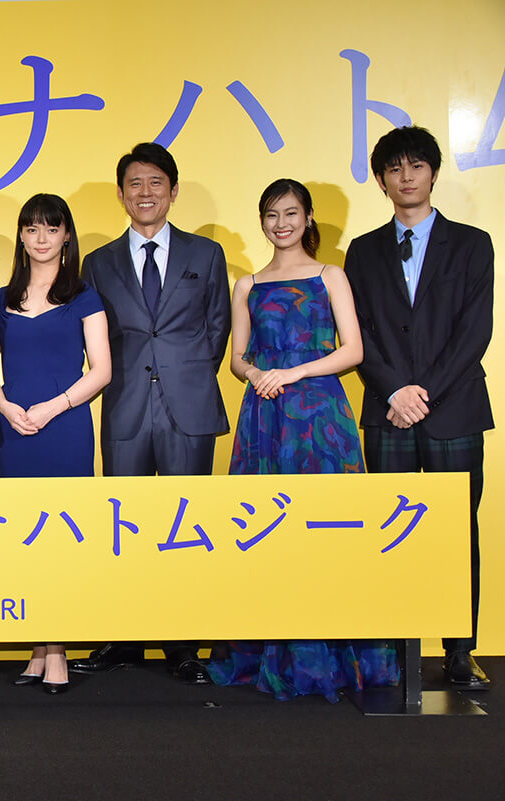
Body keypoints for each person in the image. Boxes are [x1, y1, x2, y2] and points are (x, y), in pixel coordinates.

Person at [207, 178, 397, 701]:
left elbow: (353, 350)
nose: (281, 223)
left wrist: (293, 372)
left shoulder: (330, 275)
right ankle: (270, 651)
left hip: (320, 418)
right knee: (265, 530)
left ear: (308, 217)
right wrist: (255, 374)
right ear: (262, 221)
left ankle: (334, 655)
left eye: (291, 213)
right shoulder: (247, 284)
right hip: (264, 416)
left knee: (328, 529)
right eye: (272, 214)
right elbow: (237, 357)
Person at [72, 142, 230, 685]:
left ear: (173, 191)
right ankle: (124, 637)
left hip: (189, 405)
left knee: (186, 527)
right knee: (125, 527)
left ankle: (183, 643)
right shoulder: (99, 263)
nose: (145, 193)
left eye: (155, 183)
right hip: (125, 405)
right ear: (121, 195)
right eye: (134, 184)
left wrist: (186, 373)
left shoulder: (206, 254)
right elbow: (94, 338)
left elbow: (217, 327)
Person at [345, 126, 494, 690]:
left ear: (433, 172)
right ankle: (391, 650)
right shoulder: (363, 251)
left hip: (453, 409)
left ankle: (459, 650)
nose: (406, 177)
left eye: (416, 166)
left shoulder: (473, 243)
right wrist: (393, 392)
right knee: (390, 531)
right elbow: (358, 333)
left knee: (456, 532)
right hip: (388, 412)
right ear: (381, 180)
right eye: (394, 168)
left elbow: (475, 331)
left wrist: (421, 393)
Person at [0, 193, 111, 694]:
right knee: (25, 539)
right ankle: (38, 646)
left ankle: (57, 649)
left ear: (66, 236)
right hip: (16, 430)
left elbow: (102, 370)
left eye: (51, 229)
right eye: (32, 228)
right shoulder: (2, 298)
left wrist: (54, 407)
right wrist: (4, 406)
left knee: (61, 540)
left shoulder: (84, 295)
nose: (41, 238)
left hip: (66, 427)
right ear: (21, 235)